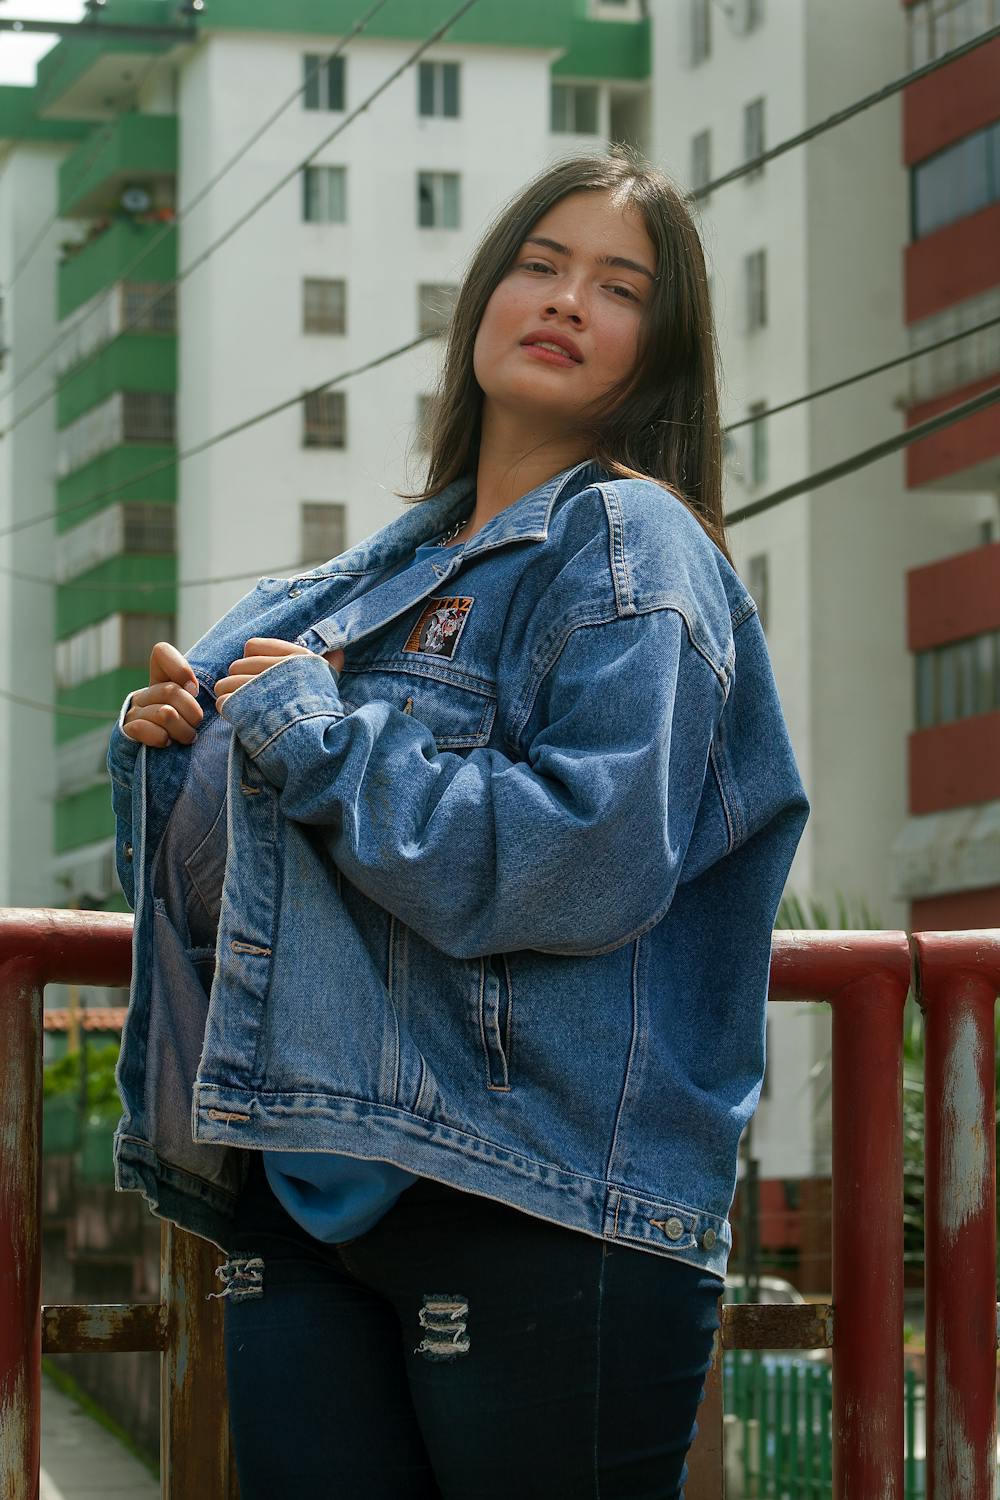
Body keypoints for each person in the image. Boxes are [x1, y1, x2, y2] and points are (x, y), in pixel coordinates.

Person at [111, 147, 809, 1498]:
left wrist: (314, 739)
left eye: (618, 287)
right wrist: (190, 756)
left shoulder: (629, 545)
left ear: (656, 352)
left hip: (538, 1194)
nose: (564, 300)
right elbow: (263, 862)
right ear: (484, 295)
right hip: (313, 1180)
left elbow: (584, 858)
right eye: (540, 264)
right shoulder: (367, 580)